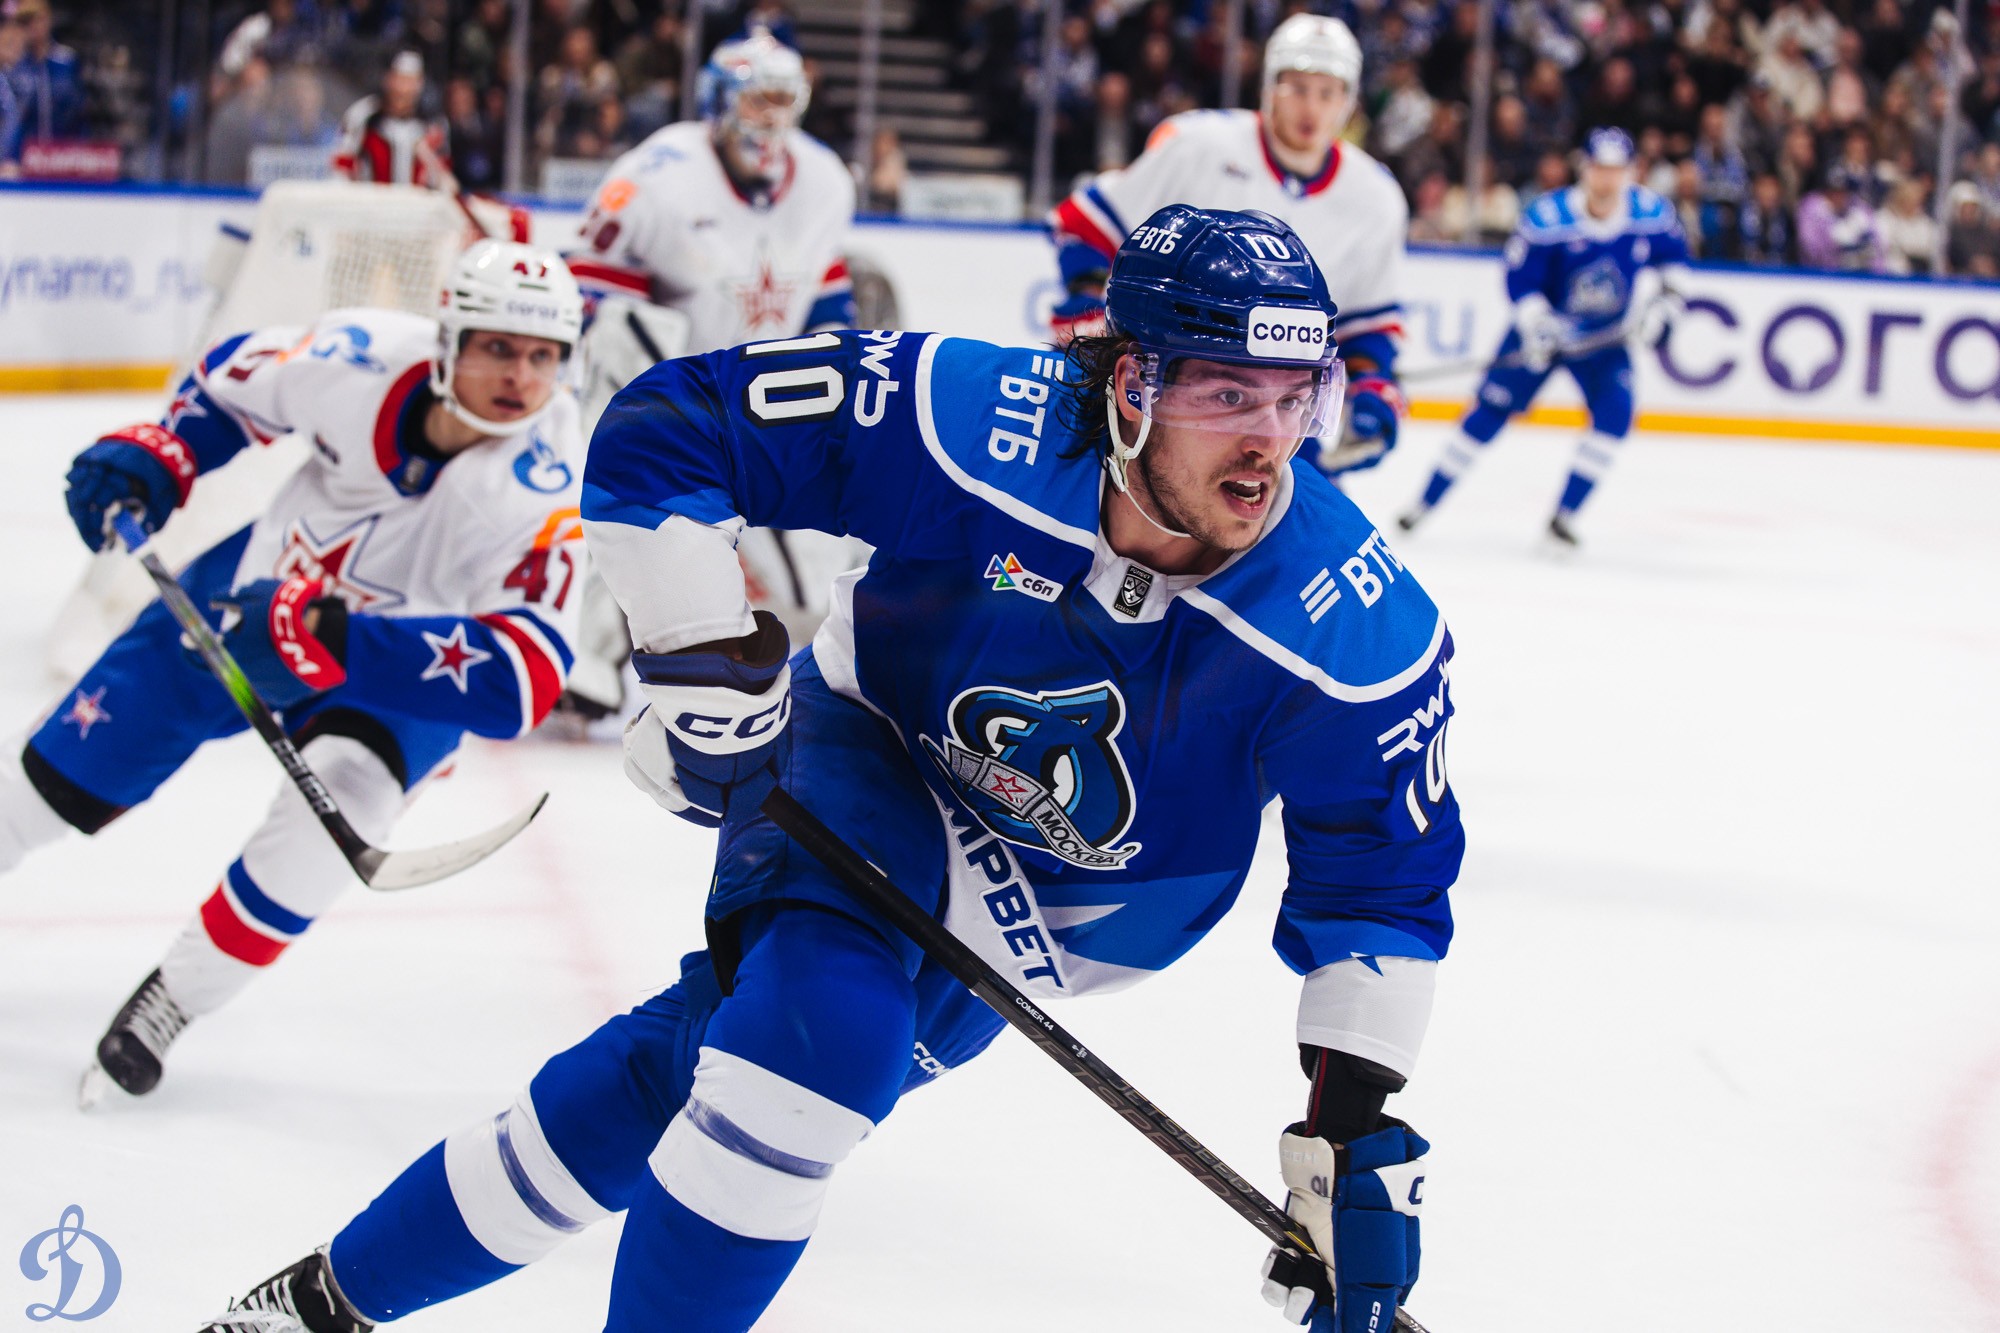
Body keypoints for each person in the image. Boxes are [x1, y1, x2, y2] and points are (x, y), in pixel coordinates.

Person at [194, 206, 1458, 1333]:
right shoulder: (968, 417)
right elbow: (667, 427)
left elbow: (1377, 882)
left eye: (1297, 398)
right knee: (817, 1049)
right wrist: (699, 662)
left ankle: (320, 1302)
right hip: (869, 747)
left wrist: (1350, 1125)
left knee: (688, 1064)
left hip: (1040, 925)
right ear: (1131, 386)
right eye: (1228, 396)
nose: (1269, 444)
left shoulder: (1356, 627)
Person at [0, 241, 586, 1101]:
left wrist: (338, 641)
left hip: (399, 673)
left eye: (542, 356)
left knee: (338, 817)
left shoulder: (550, 483)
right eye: (497, 346)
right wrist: (166, 450)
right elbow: (231, 380)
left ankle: (174, 999)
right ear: (447, 339)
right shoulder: (359, 357)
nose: (520, 377)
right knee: (57, 779)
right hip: (244, 601)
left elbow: (522, 680)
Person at [557, 29, 858, 717]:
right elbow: (593, 293)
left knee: (811, 567)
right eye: (757, 100)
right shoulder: (656, 174)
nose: (771, 118)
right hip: (665, 390)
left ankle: (818, 654)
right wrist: (651, 392)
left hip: (767, 394)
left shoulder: (825, 180)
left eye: (784, 99)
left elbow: (828, 299)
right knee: (630, 499)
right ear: (718, 102)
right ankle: (587, 658)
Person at [1048, 15, 1411, 480]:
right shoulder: (1199, 145)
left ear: (1349, 101)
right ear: (1268, 87)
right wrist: (1087, 304)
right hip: (1175, 398)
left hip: (1286, 423)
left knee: (1297, 525)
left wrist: (1372, 388)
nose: (1311, 108)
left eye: (1328, 93)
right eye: (1297, 88)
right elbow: (1086, 226)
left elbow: (1367, 327)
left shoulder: (1376, 197)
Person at [1398, 128, 1690, 547]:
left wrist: (1664, 309)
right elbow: (1520, 281)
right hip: (1541, 337)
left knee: (1615, 414)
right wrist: (1536, 325)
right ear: (1584, 169)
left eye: (1616, 170)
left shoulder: (1651, 213)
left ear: (1631, 171)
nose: (1606, 179)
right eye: (1600, 168)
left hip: (1604, 341)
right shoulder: (1550, 218)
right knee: (1488, 413)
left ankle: (1564, 517)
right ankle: (1422, 504)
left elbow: (1674, 265)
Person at [332, 49, 450, 186]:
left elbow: (445, 181)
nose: (403, 89)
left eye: (410, 81)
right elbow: (341, 166)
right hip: (370, 197)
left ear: (420, 84)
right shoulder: (363, 115)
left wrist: (428, 158)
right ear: (387, 79)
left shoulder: (433, 124)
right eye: (398, 79)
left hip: (416, 199)